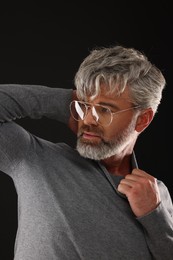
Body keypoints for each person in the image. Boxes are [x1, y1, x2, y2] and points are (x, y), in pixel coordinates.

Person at [0, 45, 172, 260]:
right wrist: (63, 103)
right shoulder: (33, 160)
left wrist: (154, 216)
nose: (88, 120)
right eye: (84, 106)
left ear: (143, 119)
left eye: (105, 109)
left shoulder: (156, 194)